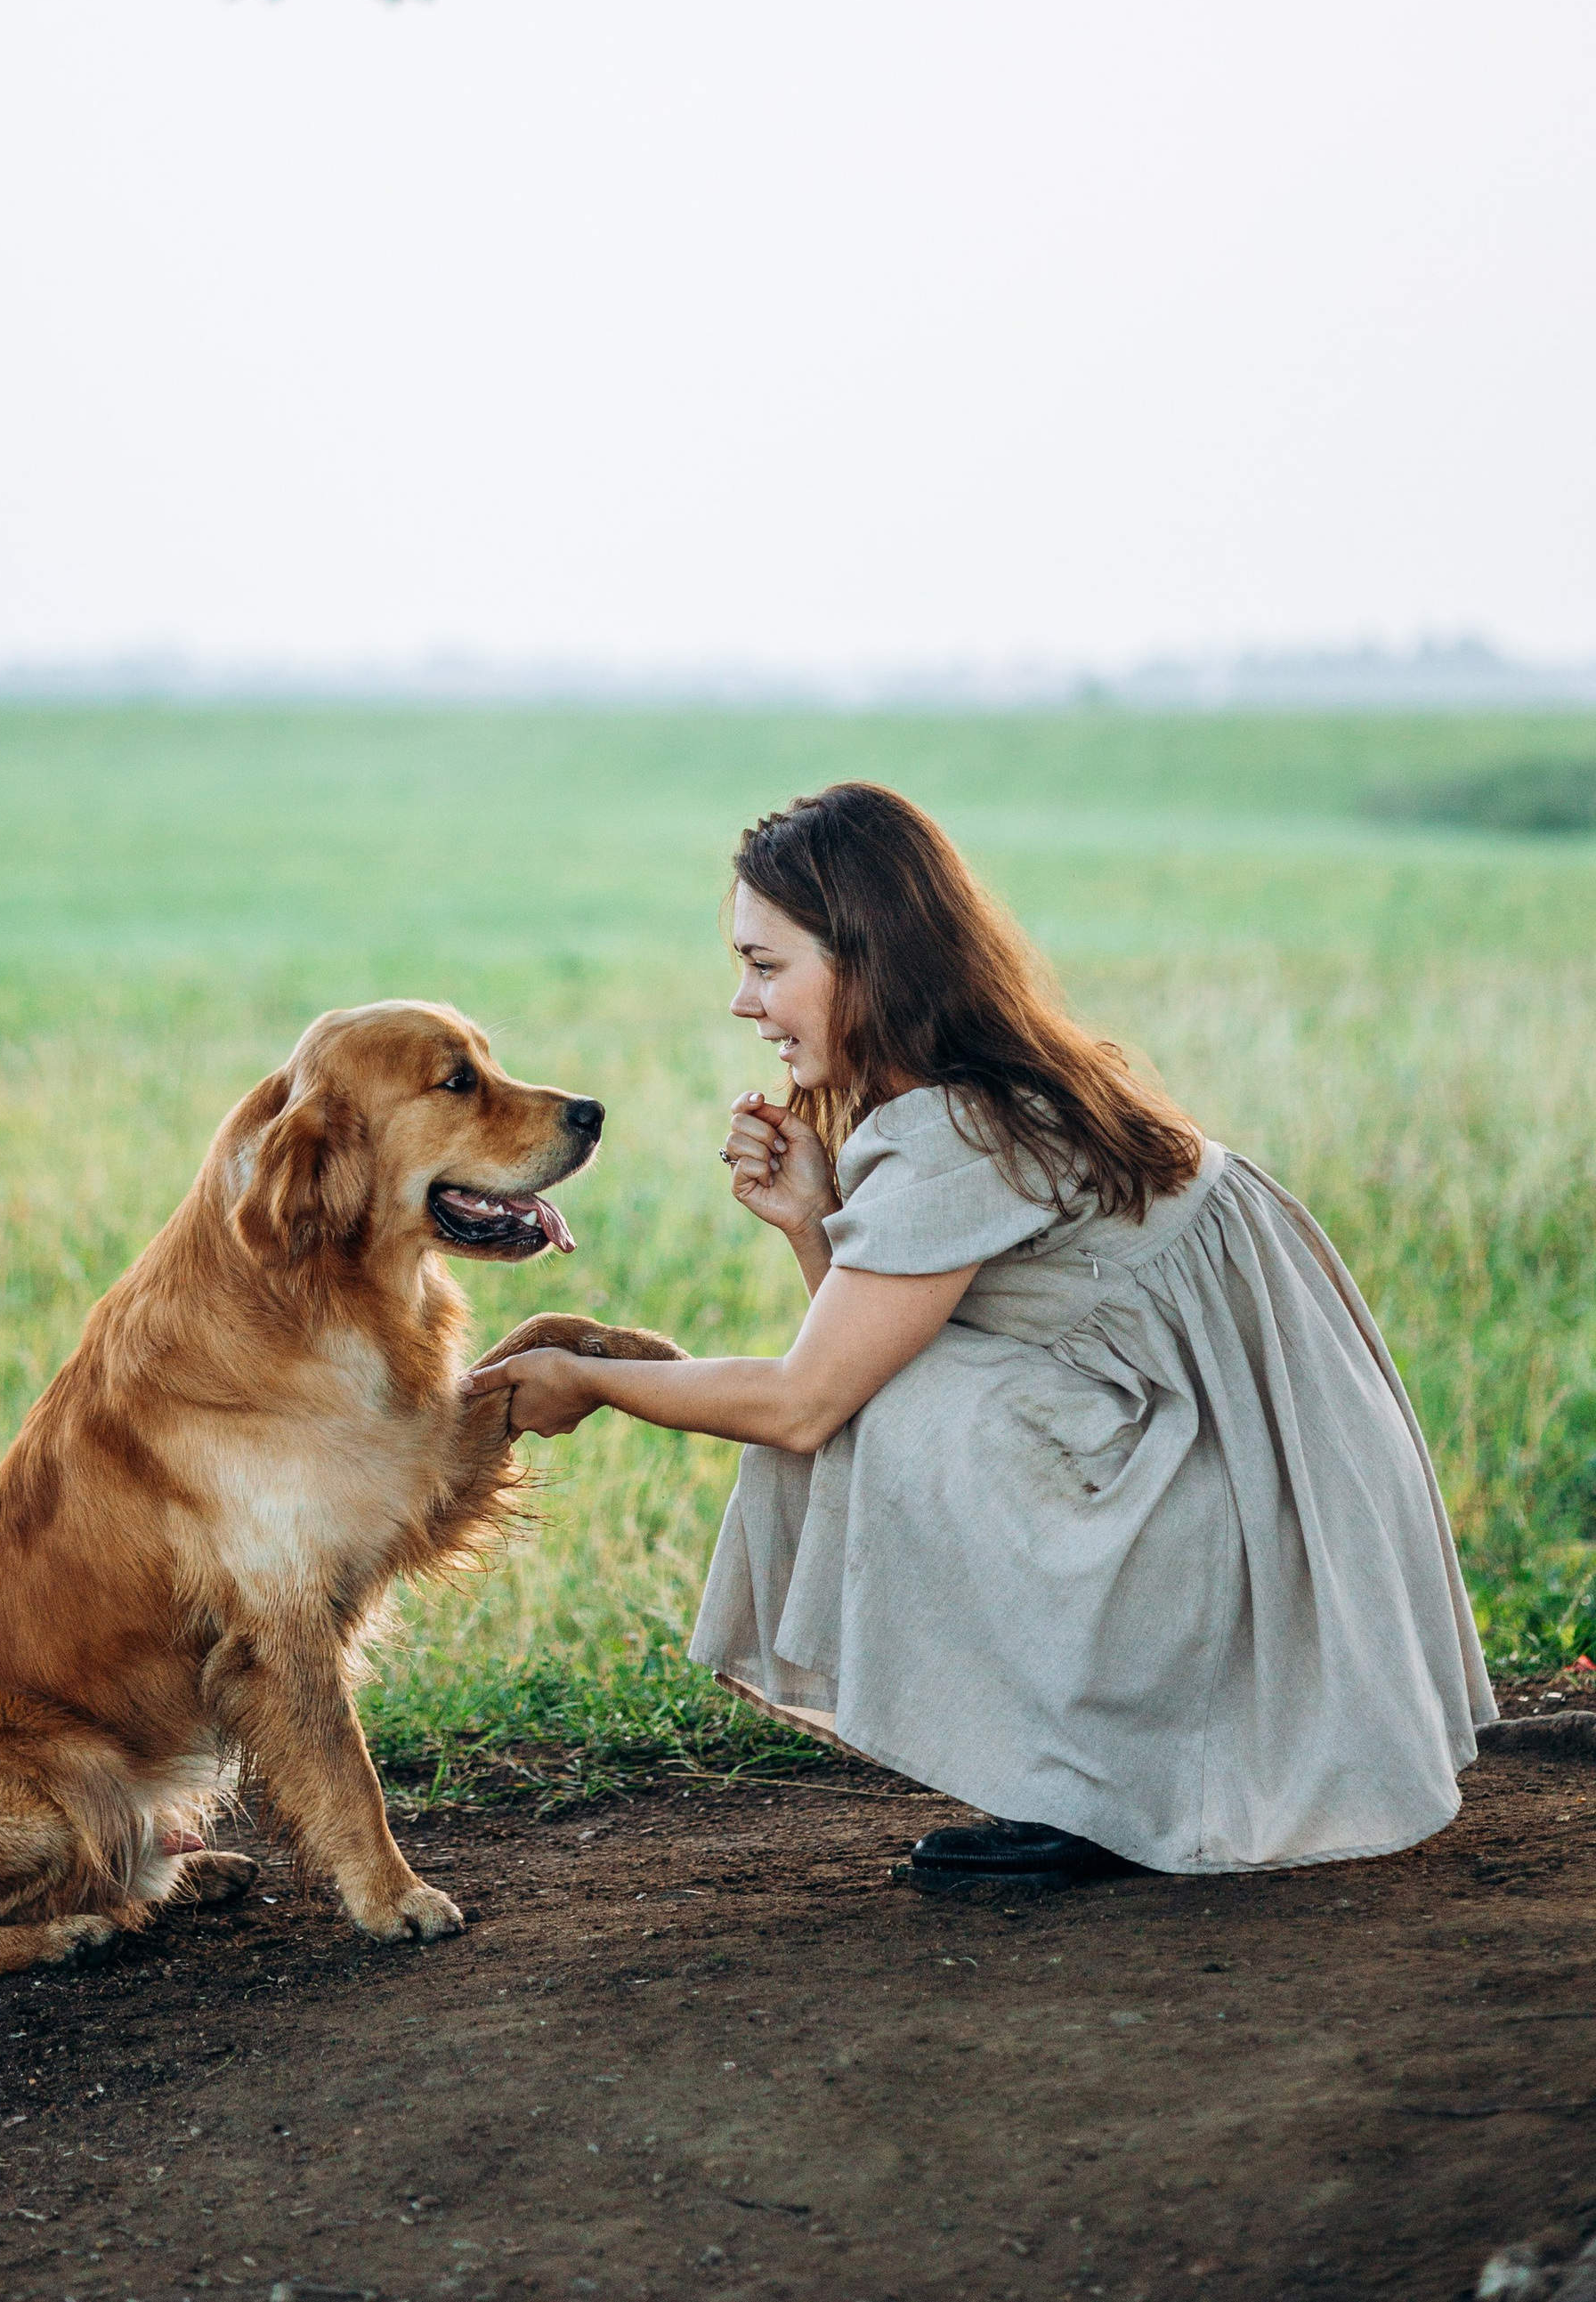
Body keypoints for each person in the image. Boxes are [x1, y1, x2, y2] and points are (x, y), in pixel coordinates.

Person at [466, 780, 1494, 1891]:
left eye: (766, 965)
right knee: (891, 1401)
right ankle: (1089, 1760)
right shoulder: (995, 1088)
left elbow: (807, 1403)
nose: (742, 1002)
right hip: (1237, 1505)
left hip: (1221, 1532)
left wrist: (587, 1378)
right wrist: (816, 1222)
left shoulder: (954, 1131)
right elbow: (881, 1351)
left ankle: (1100, 1780)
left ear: (866, 962)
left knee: (858, 1415)